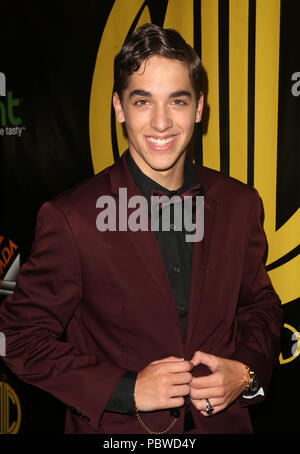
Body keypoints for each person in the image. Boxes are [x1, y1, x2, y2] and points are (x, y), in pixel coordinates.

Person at [0, 23, 283, 434]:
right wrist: (125, 389)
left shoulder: (239, 205)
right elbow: (17, 337)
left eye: (178, 101)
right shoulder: (71, 219)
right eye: (143, 101)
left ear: (199, 108)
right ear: (119, 108)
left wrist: (244, 373)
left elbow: (261, 306)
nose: (162, 122)